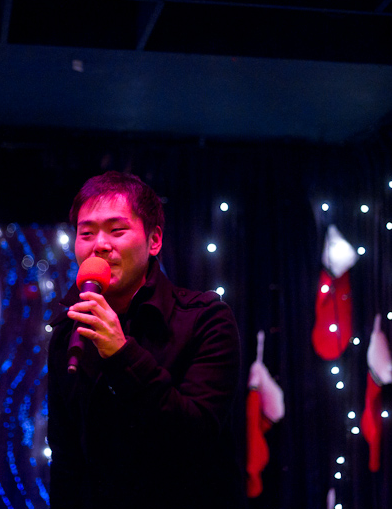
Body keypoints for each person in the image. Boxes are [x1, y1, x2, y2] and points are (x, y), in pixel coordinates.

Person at [47, 171, 244, 509]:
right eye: (86, 233)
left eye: (117, 230)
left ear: (154, 241)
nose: (99, 245)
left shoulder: (206, 319)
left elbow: (195, 436)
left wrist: (121, 354)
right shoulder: (69, 330)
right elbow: (66, 458)